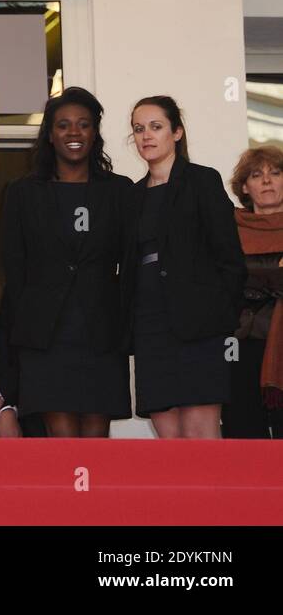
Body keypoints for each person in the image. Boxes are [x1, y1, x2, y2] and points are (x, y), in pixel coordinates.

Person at [0, 87, 131, 437]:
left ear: (94, 133)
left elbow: (131, 267)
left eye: (84, 125)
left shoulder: (120, 192)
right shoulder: (22, 193)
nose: (74, 133)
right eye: (64, 125)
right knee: (62, 443)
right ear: (50, 136)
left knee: (96, 441)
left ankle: (94, 496)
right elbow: (14, 274)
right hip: (45, 337)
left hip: (102, 333)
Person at [123, 96, 245, 438]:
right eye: (138, 128)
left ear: (176, 132)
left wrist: (219, 316)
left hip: (200, 328)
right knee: (170, 445)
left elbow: (231, 260)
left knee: (201, 438)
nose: (146, 135)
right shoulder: (131, 196)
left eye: (156, 127)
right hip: (150, 327)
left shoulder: (203, 181)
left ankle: (215, 495)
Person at [224, 145, 283, 438]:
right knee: (243, 428)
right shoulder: (228, 229)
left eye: (276, 172)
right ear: (245, 186)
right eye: (257, 175)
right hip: (240, 342)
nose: (267, 180)